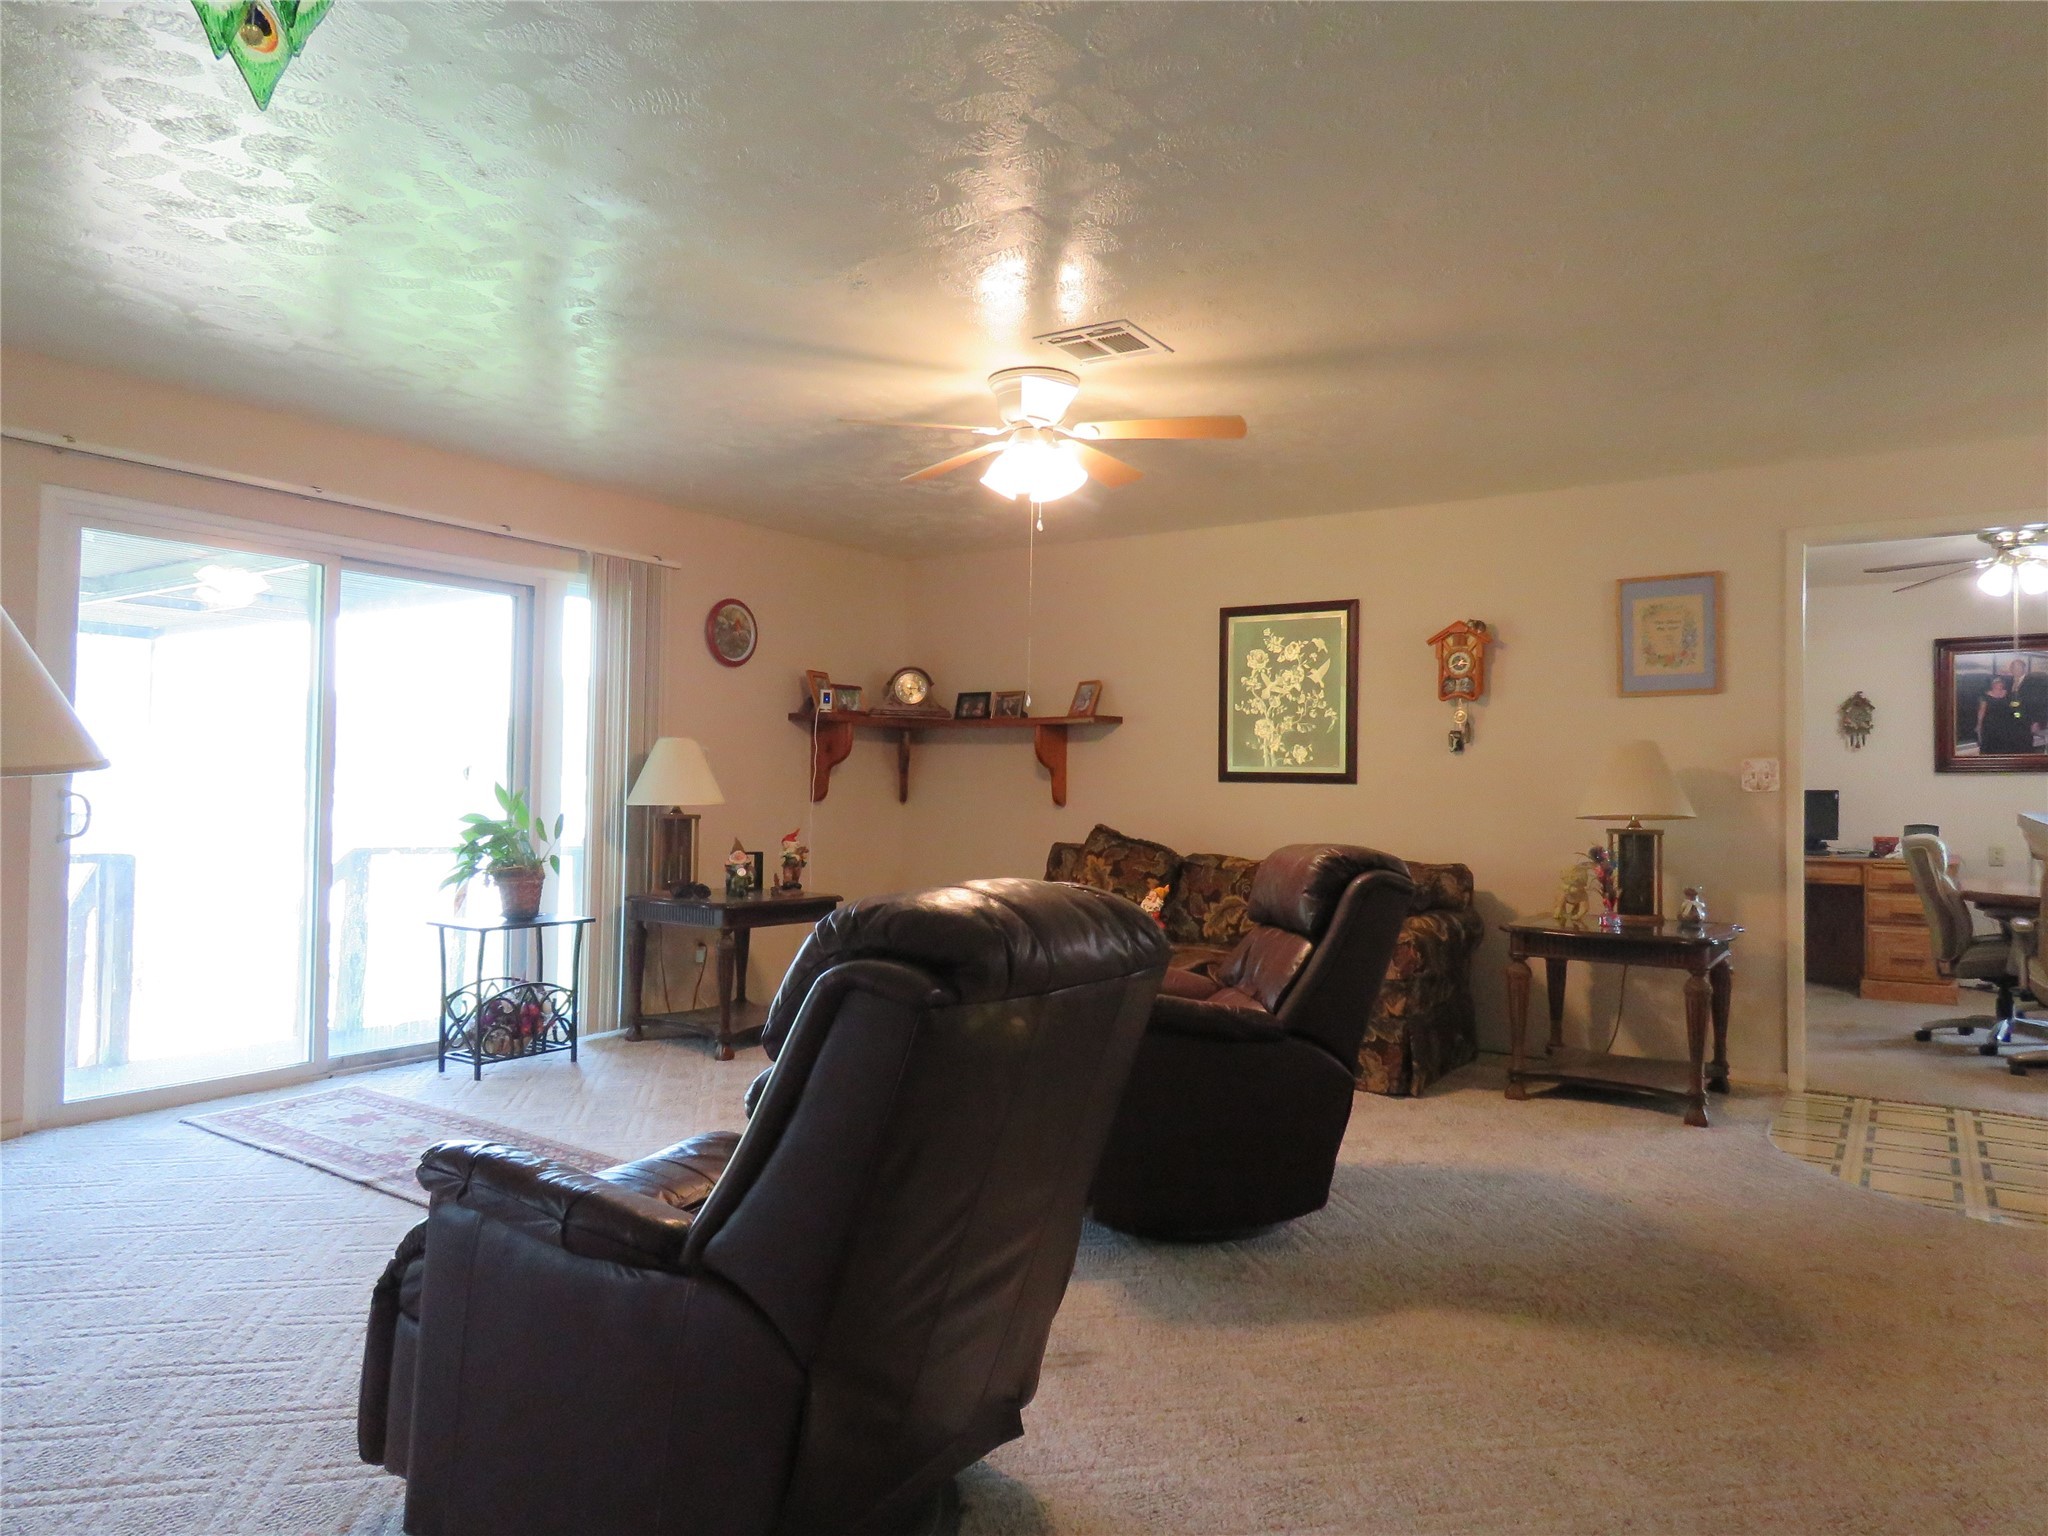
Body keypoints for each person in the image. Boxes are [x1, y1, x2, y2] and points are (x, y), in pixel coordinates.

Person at [1977, 674, 2034, 755]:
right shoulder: (1985, 696)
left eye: (2001, 682)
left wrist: (2019, 716)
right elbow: (1981, 711)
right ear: (1992, 684)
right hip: (1991, 724)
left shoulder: (2008, 694)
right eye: (1997, 682)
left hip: (2006, 723)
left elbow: (2015, 707)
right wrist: (1979, 725)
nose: (1999, 684)